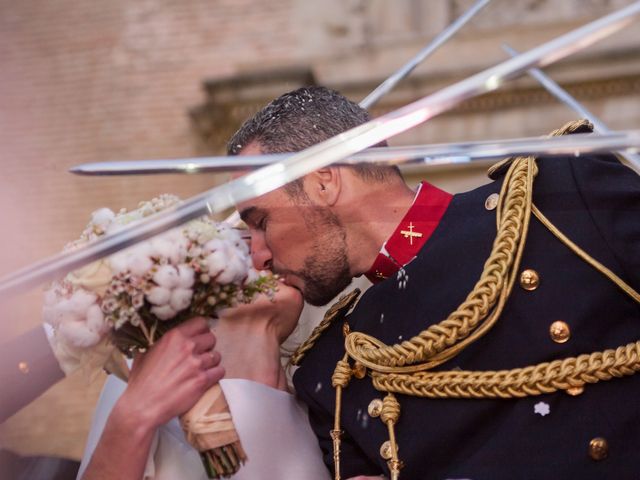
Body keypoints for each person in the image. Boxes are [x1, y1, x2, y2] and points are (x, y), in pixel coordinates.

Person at [230, 86, 640, 479]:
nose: (259, 254)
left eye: (262, 222)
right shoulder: (333, 371)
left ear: (324, 180)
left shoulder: (559, 203)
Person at [77, 282, 331, 480]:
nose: (264, 254)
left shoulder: (318, 410)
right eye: (244, 239)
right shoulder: (152, 378)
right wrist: (135, 415)